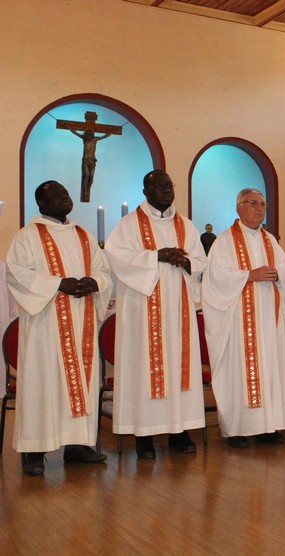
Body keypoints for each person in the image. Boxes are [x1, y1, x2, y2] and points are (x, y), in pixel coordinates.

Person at [6, 181, 112, 475]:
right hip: (45, 324)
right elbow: (17, 273)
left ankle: (78, 445)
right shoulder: (28, 236)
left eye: (65, 193)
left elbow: (103, 269)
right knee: (42, 382)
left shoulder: (83, 235)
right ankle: (33, 451)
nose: (64, 197)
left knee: (80, 382)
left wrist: (94, 282)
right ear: (40, 203)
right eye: (55, 194)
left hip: (81, 321)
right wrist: (58, 284)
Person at [105, 170, 207, 459]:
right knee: (144, 368)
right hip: (142, 309)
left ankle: (179, 430)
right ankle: (144, 435)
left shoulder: (186, 225)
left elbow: (201, 261)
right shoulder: (129, 225)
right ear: (145, 191)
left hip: (179, 310)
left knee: (178, 366)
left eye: (170, 185)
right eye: (160, 186)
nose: (167, 190)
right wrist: (156, 256)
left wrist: (185, 261)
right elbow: (116, 256)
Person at [202, 189, 285, 447]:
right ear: (239, 207)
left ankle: (268, 427)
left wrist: (278, 275)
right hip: (237, 323)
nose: (259, 208)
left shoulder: (270, 240)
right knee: (238, 372)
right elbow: (215, 276)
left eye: (262, 204)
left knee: (270, 369)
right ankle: (237, 429)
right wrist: (249, 275)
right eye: (253, 203)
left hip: (268, 320)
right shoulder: (225, 241)